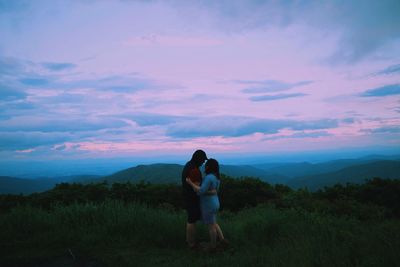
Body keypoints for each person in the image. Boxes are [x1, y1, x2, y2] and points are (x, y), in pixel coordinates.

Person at [186, 158, 227, 251]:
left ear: (209, 167)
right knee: (214, 223)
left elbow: (200, 191)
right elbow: (215, 191)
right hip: (215, 203)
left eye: (206, 164)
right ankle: (222, 240)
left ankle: (213, 246)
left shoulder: (209, 178)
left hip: (208, 205)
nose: (205, 166)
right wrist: (211, 192)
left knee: (211, 226)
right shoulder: (216, 177)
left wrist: (190, 182)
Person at [181, 149, 209, 249]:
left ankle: (190, 241)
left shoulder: (188, 165)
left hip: (187, 197)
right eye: (203, 160)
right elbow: (197, 189)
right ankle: (191, 243)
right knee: (192, 220)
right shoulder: (195, 170)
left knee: (191, 219)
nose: (203, 162)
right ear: (199, 159)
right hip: (192, 199)